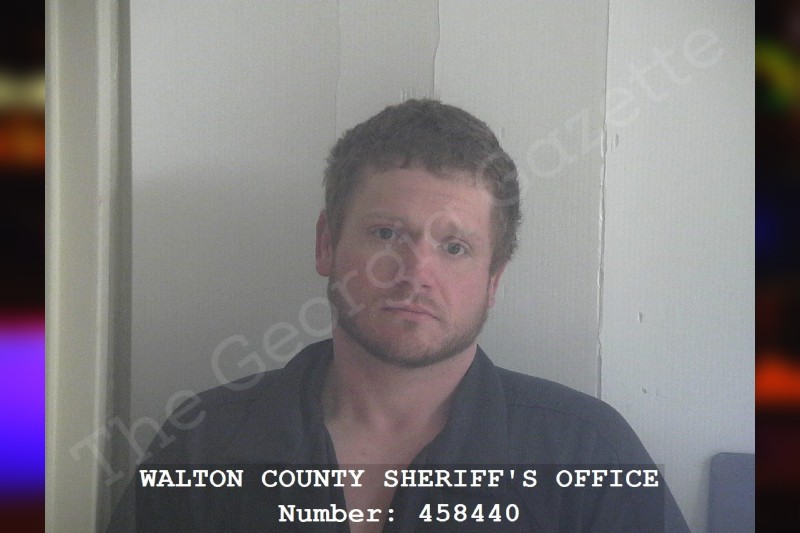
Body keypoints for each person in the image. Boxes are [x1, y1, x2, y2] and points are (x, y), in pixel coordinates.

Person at [108, 99, 690, 532]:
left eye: (454, 247)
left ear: (493, 279)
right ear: (327, 244)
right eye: (387, 234)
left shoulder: (589, 453)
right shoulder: (202, 443)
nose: (415, 273)